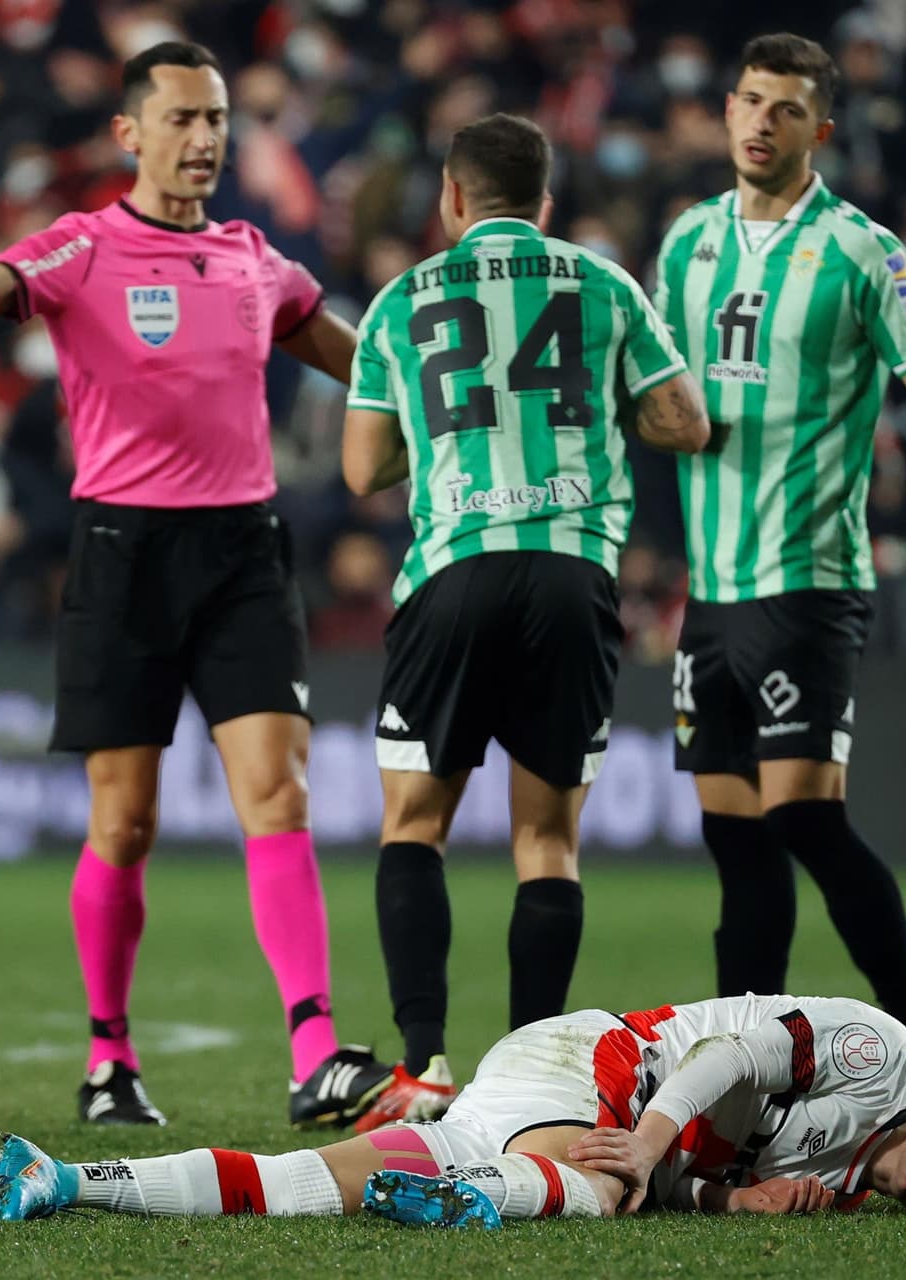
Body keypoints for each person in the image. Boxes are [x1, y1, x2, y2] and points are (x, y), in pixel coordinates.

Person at [0, 41, 391, 1128]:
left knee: (276, 792)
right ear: (129, 133)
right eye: (182, 119)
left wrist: (432, 373)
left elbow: (359, 358)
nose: (204, 138)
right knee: (125, 820)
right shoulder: (82, 248)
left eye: (216, 120)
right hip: (122, 553)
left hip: (243, 552)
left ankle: (313, 1050)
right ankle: (110, 1054)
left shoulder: (258, 259)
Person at [340, 113, 709, 1130]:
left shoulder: (399, 299)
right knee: (546, 842)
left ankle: (422, 1065)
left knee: (414, 823)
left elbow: (362, 467)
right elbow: (685, 421)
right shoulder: (602, 284)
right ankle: (528, 1080)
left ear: (451, 197)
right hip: (569, 569)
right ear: (545, 200)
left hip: (452, 569)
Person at [653, 33, 906, 1110]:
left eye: (784, 109)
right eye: (747, 99)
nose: (757, 121)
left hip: (806, 575)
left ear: (818, 131)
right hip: (710, 588)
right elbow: (655, 390)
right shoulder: (688, 242)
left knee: (801, 815)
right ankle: (735, 1071)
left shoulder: (859, 249)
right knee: (730, 834)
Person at [0, 991, 906, 1227]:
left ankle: (66, 1180)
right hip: (591, 1055)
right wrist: (656, 1148)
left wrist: (726, 1203)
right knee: (607, 1188)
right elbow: (722, 1052)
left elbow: (682, 1174)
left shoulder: (837, 1192)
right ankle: (466, 1192)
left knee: (297, 1187)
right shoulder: (880, 1054)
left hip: (534, 1101)